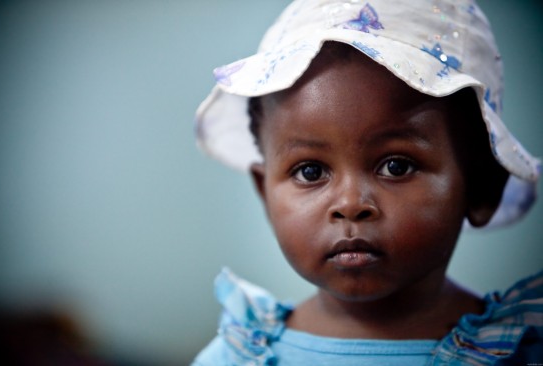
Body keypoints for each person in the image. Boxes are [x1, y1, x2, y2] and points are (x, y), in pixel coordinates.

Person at [192, 0, 542, 364]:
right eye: (310, 172)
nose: (350, 203)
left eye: (396, 166)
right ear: (264, 194)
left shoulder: (518, 350)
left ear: (482, 186)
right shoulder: (237, 356)